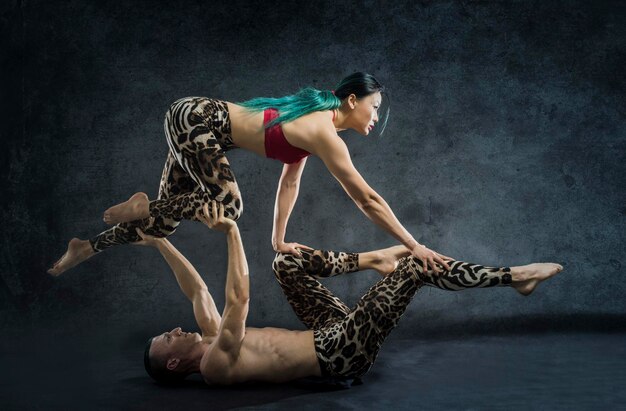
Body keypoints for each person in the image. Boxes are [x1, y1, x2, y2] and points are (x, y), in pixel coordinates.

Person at [48, 72, 450, 276]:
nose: (376, 117)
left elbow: (290, 181)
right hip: (196, 119)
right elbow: (367, 199)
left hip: (190, 121)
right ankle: (143, 205)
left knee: (160, 226)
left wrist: (278, 239)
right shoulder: (326, 133)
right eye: (374, 107)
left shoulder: (316, 125)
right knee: (230, 204)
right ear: (352, 99)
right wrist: (414, 245)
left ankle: (86, 247)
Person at [142, 202, 562, 385]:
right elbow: (239, 300)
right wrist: (232, 231)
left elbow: (197, 289)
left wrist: (158, 239)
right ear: (175, 361)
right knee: (416, 264)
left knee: (284, 262)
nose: (175, 329)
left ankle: (373, 259)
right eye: (167, 338)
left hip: (332, 329)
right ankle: (514, 277)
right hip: (340, 354)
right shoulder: (215, 364)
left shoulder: (211, 338)